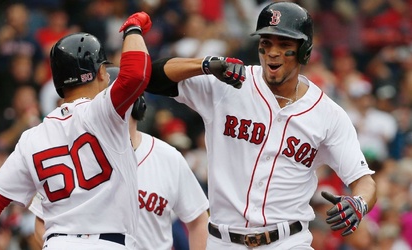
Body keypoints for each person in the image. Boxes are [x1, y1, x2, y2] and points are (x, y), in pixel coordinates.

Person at [145, 2, 377, 249]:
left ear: (304, 51)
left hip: (288, 241)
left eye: (284, 45)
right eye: (266, 43)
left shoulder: (328, 114)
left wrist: (359, 203)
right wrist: (204, 64)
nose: (273, 52)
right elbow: (150, 78)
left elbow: (364, 181)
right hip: (223, 241)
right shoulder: (229, 82)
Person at [0, 11, 152, 250]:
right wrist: (133, 28)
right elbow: (137, 74)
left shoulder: (31, 137)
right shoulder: (106, 110)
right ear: (101, 73)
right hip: (110, 242)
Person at [30, 67, 210, 250]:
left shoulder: (168, 157)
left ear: (138, 105)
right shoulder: (71, 155)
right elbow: (41, 222)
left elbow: (198, 221)